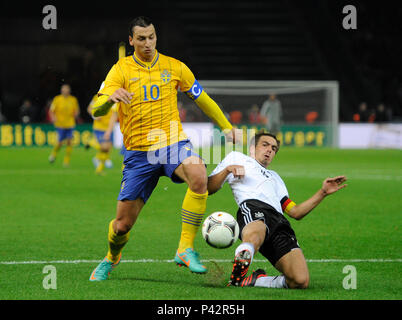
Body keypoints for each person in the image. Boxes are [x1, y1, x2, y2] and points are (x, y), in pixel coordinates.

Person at [89, 16, 238, 281]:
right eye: (142, 38)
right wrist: (110, 99)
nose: (148, 43)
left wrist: (226, 127)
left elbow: (202, 98)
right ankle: (112, 257)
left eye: (152, 37)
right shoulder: (120, 70)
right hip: (137, 154)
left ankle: (185, 248)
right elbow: (95, 109)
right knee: (122, 226)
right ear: (132, 40)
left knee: (198, 173)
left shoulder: (175, 67)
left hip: (171, 143)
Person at [207, 132, 347, 288]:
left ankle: (254, 280)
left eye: (273, 148)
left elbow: (295, 212)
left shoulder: (276, 178)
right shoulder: (237, 158)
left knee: (300, 281)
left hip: (280, 222)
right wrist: (227, 170)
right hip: (254, 208)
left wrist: (323, 193)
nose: (269, 150)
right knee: (255, 235)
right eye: (265, 145)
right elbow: (209, 187)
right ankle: (241, 264)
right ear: (252, 147)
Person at [87, 91, 119, 174]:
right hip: (99, 127)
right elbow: (89, 109)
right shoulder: (97, 97)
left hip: (109, 127)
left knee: (108, 149)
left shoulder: (115, 96)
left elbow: (115, 113)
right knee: (105, 147)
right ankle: (91, 142)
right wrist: (95, 116)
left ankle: (99, 168)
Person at [48, 84, 80, 167]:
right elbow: (51, 110)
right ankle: (53, 154)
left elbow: (76, 110)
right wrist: (53, 118)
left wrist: (76, 114)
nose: (65, 91)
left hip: (70, 123)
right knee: (60, 143)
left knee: (69, 142)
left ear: (69, 91)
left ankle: (66, 161)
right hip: (60, 124)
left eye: (67, 89)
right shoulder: (57, 99)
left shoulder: (73, 99)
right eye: (64, 89)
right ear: (61, 91)